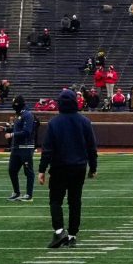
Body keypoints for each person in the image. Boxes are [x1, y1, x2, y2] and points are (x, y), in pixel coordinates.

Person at [39, 89, 97, 249]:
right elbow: (91, 147)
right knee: (75, 201)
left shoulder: (54, 122)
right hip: (78, 167)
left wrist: (42, 169)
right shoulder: (84, 121)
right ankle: (72, 236)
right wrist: (93, 167)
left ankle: (59, 231)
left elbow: (48, 149)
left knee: (56, 200)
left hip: (59, 167)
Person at [5, 97, 38, 202]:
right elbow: (18, 128)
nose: (13, 105)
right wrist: (6, 129)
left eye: (14, 103)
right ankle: (16, 192)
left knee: (28, 171)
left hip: (25, 147)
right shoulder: (19, 114)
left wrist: (11, 134)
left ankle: (29, 194)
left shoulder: (27, 115)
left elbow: (27, 131)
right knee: (12, 170)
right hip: (16, 147)